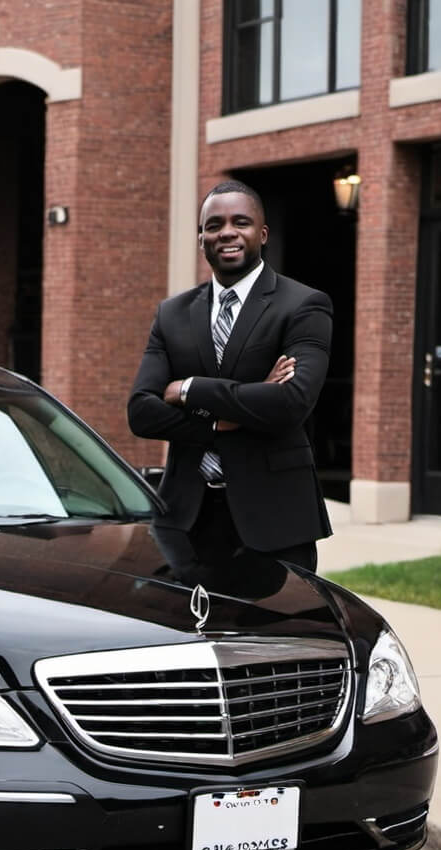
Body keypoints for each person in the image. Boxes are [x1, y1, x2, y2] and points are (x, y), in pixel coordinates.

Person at [127, 180, 332, 572]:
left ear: (263, 233)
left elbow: (291, 404)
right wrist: (230, 418)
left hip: (276, 518)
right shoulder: (171, 314)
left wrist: (189, 389)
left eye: (241, 222)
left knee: (276, 632)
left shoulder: (304, 305)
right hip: (186, 517)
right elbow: (141, 412)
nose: (227, 233)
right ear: (201, 236)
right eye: (214, 224)